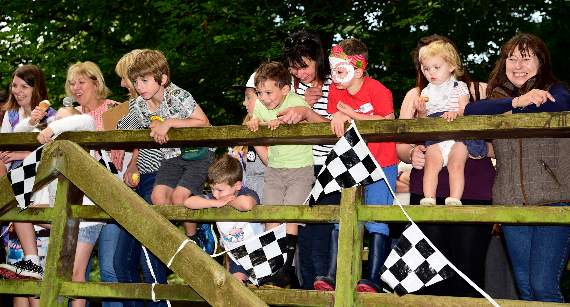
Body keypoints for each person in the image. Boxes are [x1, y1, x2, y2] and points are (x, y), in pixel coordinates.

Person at [465, 33, 570, 302]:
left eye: (526, 58)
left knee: (543, 286)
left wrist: (509, 113)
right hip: (510, 202)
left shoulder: (557, 90)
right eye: (512, 59)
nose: (518, 65)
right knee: (524, 289)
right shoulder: (498, 97)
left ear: (541, 62)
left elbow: (560, 105)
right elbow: (471, 112)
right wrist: (515, 103)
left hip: (555, 201)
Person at [396, 34, 494, 298]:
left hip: (473, 192)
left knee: (468, 270)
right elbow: (401, 145)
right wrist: (412, 152)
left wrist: (481, 148)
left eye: (435, 63)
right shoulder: (416, 96)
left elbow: (499, 140)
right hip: (427, 192)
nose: (429, 70)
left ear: (450, 61)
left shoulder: (478, 90)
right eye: (424, 65)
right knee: (427, 271)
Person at [116, 49, 213, 304]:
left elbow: (203, 123)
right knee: (159, 198)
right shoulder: (139, 103)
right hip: (171, 158)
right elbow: (123, 126)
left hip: (197, 155)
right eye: (135, 81)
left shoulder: (178, 95)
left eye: (144, 80)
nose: (139, 86)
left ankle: (196, 237)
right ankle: (174, 246)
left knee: (180, 196)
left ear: (163, 79)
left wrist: (169, 123)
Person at [314, 38, 398, 293]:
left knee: (376, 220)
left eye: (341, 71)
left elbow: (387, 120)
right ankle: (333, 275)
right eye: (333, 71)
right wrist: (339, 114)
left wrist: (350, 113)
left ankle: (372, 279)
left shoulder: (379, 90)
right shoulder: (336, 91)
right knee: (343, 219)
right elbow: (334, 115)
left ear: (359, 70)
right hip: (351, 161)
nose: (335, 77)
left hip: (382, 163)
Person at [246, 61, 314, 287]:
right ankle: (271, 267)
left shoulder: (296, 102)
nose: (263, 98)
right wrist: (255, 121)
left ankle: (287, 267)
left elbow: (297, 117)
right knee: (272, 215)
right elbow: (254, 119)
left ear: (285, 89)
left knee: (291, 214)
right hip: (274, 169)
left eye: (268, 92)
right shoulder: (260, 105)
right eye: (259, 93)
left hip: (299, 169)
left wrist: (281, 121)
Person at [281, 30, 339, 290]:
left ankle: (326, 287)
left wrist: (307, 112)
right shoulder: (290, 88)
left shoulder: (338, 84)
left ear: (319, 59)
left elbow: (339, 132)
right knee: (302, 233)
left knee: (324, 230)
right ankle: (305, 292)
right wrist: (298, 102)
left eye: (303, 66)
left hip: (332, 168)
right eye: (294, 68)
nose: (299, 73)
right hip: (300, 167)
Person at [415, 40, 487, 206]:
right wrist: (421, 111)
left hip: (457, 137)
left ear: (451, 66)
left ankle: (454, 198)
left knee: (456, 165)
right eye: (426, 69)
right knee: (431, 164)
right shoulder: (426, 92)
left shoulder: (459, 87)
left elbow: (465, 109)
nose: (431, 72)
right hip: (436, 136)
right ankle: (429, 197)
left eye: (436, 67)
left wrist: (456, 113)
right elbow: (423, 123)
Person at [184, 154, 263, 283]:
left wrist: (227, 202)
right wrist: (214, 203)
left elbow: (247, 204)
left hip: (257, 251)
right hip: (236, 257)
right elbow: (189, 202)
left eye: (220, 190)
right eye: (212, 189)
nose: (215, 194)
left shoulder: (246, 193)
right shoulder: (216, 198)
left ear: (237, 186)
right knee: (236, 284)